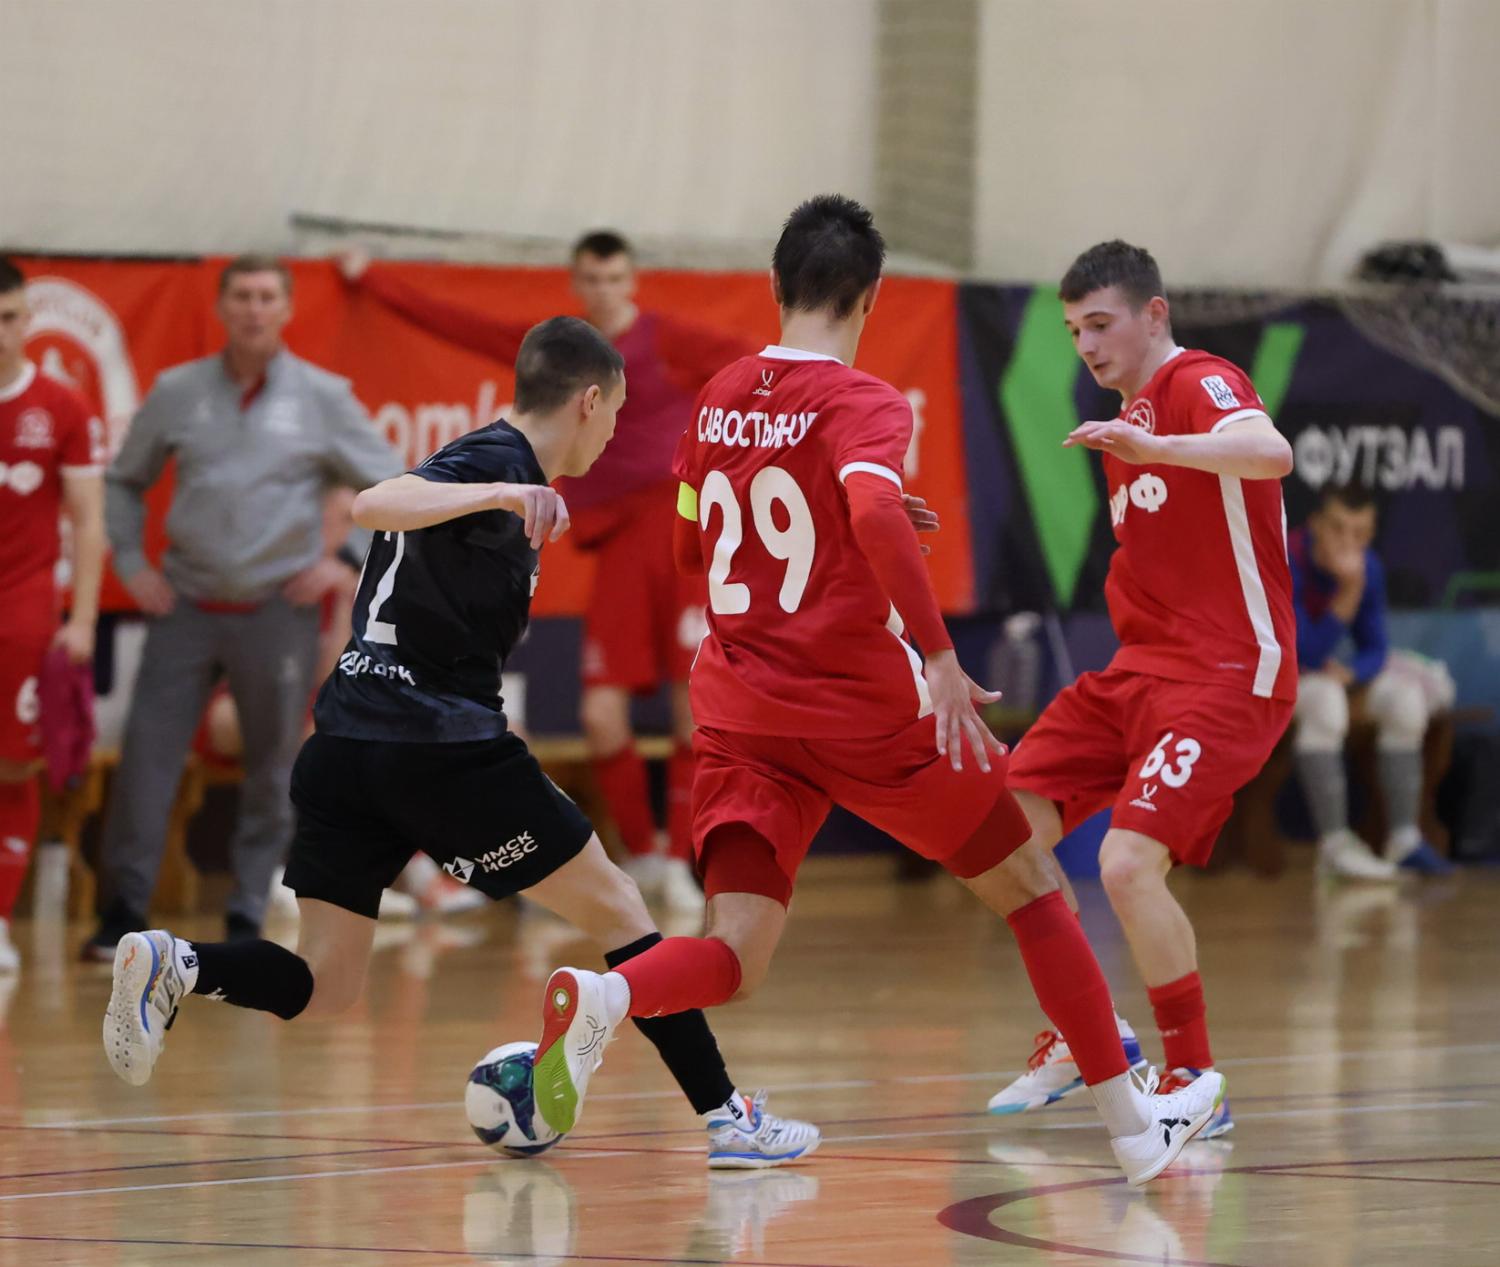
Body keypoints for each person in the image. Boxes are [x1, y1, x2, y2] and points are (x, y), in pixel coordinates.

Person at [533, 199, 1224, 1189]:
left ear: (776, 286)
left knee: (734, 953)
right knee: (1033, 885)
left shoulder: (717, 395)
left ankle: (606, 997)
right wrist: (938, 654)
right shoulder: (867, 400)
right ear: (871, 296)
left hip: (741, 712)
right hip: (859, 709)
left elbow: (692, 547)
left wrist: (848, 517)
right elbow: (866, 507)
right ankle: (1133, 1127)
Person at [100, 317, 819, 1170]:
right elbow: (373, 503)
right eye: (617, 413)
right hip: (437, 749)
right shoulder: (495, 461)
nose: (614, 433)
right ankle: (728, 1116)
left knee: (326, 985)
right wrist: (499, 495)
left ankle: (175, 963)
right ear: (589, 402)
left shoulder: (497, 467)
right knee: (624, 911)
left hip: (348, 749)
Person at [983, 240, 1296, 1139]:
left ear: (1154, 314)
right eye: (1072, 330)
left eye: (1100, 323)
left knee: (1124, 864)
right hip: (1139, 672)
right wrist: (1143, 441)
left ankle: (1196, 1080)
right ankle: (1092, 1033)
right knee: (1001, 836)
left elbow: (1271, 451)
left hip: (1229, 673)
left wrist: (1158, 445)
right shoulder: (1125, 424)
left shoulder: (1200, 382)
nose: (1085, 343)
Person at [344, 233, 753, 909]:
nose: (604, 291)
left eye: (615, 278)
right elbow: (461, 324)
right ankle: (644, 855)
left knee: (695, 705)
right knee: (601, 713)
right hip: (617, 545)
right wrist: (374, 281)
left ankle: (680, 863)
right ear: (576, 283)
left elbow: (766, 371)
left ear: (632, 281)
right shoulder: (558, 355)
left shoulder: (667, 339)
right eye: (591, 279)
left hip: (680, 533)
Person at [83, 255, 404, 960]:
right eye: (242, 296)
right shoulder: (178, 391)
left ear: (286, 309)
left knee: (274, 768)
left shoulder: (321, 396)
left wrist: (345, 560)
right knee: (147, 760)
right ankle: (121, 911)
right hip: (186, 605)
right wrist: (130, 564)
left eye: (266, 297)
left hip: (276, 610)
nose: (254, 309)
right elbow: (123, 480)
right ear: (222, 307)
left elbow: (394, 485)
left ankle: (246, 910)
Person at [0, 257, 107, 972]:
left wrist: (83, 620)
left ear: (26, 320)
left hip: (23, 608)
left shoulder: (61, 406)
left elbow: (89, 520)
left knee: (13, 765)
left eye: (9, 318)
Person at [1290, 483, 1455, 878]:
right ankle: (1334, 846)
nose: (1348, 542)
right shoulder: (1284, 556)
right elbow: (1304, 652)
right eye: (1337, 528)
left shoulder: (1369, 567)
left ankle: (1404, 839)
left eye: (1360, 533)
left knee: (1406, 700)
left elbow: (1376, 649)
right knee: (1326, 701)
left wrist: (1354, 673)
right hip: (1267, 681)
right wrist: (1349, 590)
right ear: (1315, 524)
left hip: (1326, 675)